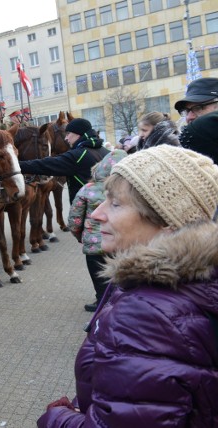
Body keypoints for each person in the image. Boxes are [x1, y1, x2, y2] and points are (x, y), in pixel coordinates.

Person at [38, 145, 218, 427]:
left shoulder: (146, 316)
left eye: (116, 203)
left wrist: (58, 417)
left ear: (167, 223)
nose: (97, 213)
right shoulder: (187, 280)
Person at [67, 149, 127, 312]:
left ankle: (102, 304)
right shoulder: (130, 191)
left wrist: (80, 236)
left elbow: (75, 218)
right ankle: (120, 304)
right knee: (121, 276)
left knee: (98, 278)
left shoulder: (87, 189)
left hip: (94, 246)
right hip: (121, 244)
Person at [19, 118, 109, 204]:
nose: (66, 138)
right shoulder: (105, 151)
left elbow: (45, 165)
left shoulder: (78, 155)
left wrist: (16, 166)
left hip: (88, 210)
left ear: (78, 134)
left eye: (68, 134)